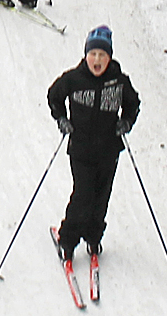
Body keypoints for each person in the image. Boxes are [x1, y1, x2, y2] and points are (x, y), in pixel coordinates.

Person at [46, 26, 139, 268]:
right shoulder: (74, 79)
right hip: (81, 150)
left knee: (101, 198)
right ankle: (67, 239)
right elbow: (54, 95)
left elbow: (133, 103)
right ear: (86, 54)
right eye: (93, 54)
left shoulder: (118, 81)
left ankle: (94, 236)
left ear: (110, 57)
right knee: (83, 196)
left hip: (109, 150)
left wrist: (126, 121)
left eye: (103, 55)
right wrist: (61, 118)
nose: (97, 60)